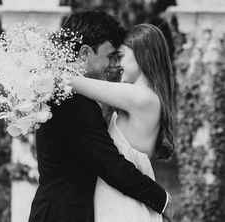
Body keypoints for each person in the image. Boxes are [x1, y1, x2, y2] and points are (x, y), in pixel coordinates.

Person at [28, 10, 173, 222]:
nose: (113, 65)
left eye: (119, 57)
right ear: (86, 53)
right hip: (64, 214)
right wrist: (162, 200)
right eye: (111, 56)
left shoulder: (65, 94)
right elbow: (111, 165)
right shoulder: (72, 101)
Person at [68, 23, 175, 222]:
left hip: (123, 205)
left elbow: (72, 82)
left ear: (142, 55)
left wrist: (34, 69)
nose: (116, 65)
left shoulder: (141, 97)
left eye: (121, 56)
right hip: (121, 200)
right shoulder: (145, 97)